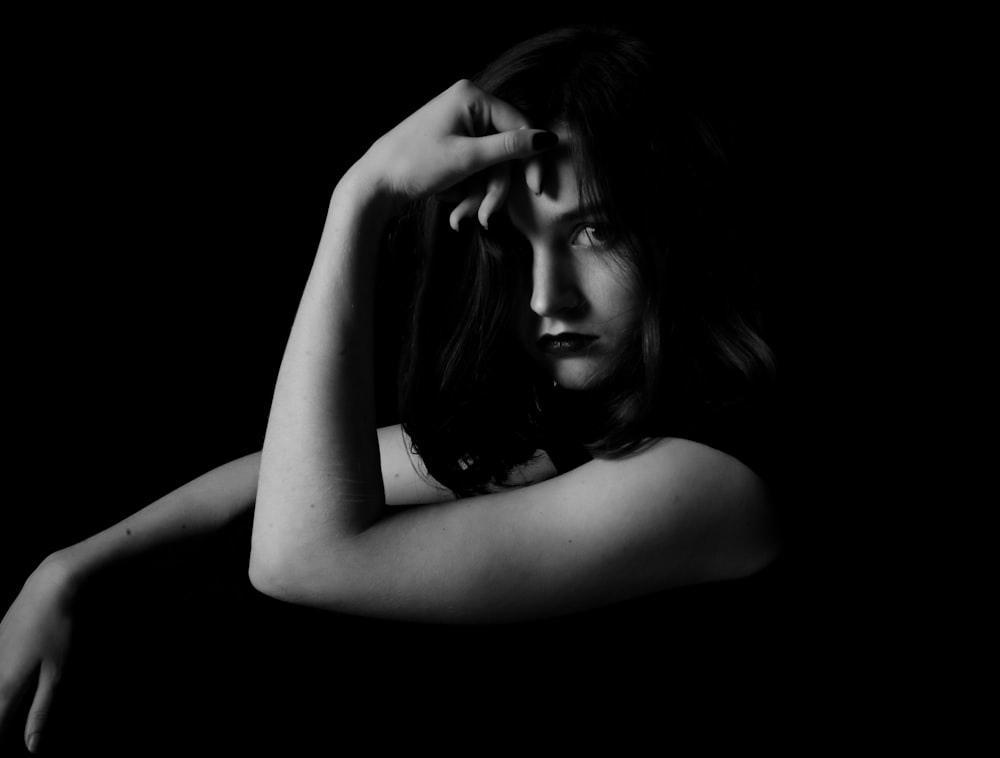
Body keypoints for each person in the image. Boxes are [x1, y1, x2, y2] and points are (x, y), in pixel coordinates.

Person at [0, 24, 781, 752]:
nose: (548, 296)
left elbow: (298, 557)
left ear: (678, 234)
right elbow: (272, 480)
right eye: (515, 240)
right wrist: (67, 569)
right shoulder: (580, 425)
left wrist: (358, 203)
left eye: (594, 233)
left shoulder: (710, 478)